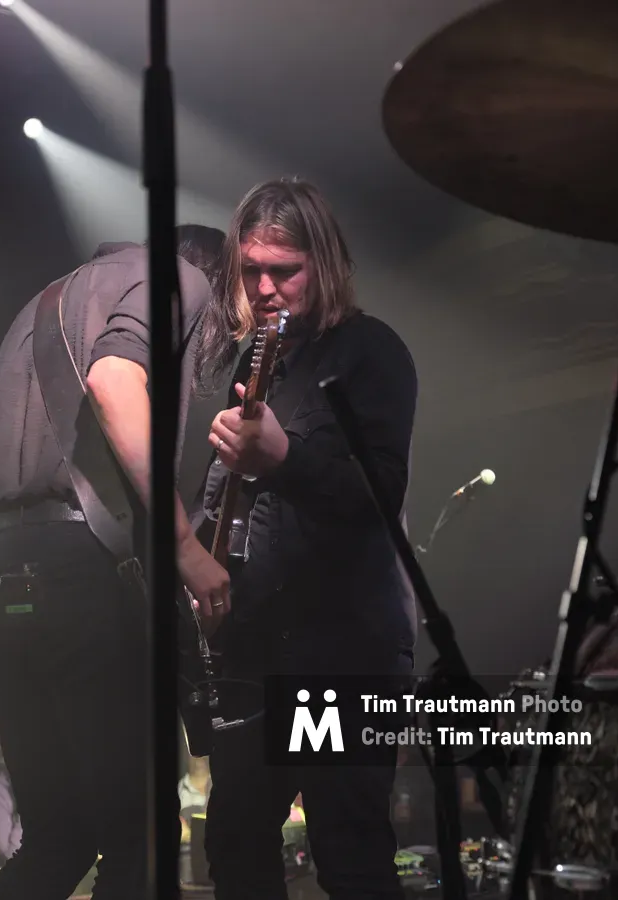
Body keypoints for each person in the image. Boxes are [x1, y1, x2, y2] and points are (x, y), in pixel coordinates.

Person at [0, 226, 232, 899]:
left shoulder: (46, 301)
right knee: (140, 837)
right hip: (72, 574)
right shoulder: (181, 279)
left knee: (57, 838)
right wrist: (188, 549)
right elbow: (115, 381)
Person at [193, 177, 418, 900]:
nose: (264, 287)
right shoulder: (235, 365)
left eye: (283, 270)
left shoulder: (366, 351)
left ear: (323, 264)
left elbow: (380, 496)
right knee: (235, 850)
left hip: (336, 656)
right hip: (252, 656)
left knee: (347, 854)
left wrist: (284, 458)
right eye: (251, 269)